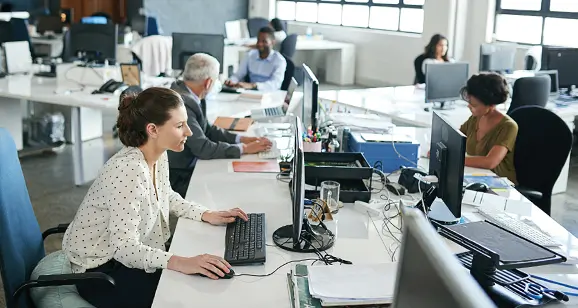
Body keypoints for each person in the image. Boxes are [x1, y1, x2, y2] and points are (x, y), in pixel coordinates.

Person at [62, 87, 249, 308]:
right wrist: (180, 262)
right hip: (101, 271)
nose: (189, 132)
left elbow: (165, 195)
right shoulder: (128, 170)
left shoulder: (157, 155)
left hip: (126, 257)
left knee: (200, 283)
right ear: (152, 129)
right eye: (180, 126)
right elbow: (124, 248)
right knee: (187, 296)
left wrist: (206, 214)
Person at [168, 53, 272, 197]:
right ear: (208, 83)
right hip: (180, 175)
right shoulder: (183, 103)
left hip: (191, 164)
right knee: (231, 187)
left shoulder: (189, 93)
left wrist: (241, 139)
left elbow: (208, 129)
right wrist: (245, 149)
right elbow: (203, 148)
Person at [459, 73, 518, 184]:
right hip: (476, 176)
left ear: (490, 105)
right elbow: (455, 137)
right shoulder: (475, 118)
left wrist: (454, 159)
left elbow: (490, 162)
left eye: (474, 105)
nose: (469, 106)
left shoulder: (508, 126)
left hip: (498, 183)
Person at [225, 26, 287, 91]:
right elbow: (238, 75)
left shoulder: (280, 60)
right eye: (258, 40)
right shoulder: (250, 55)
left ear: (272, 42)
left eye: (264, 41)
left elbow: (275, 84)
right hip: (251, 93)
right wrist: (231, 81)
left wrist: (253, 85)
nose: (260, 44)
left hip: (270, 95)